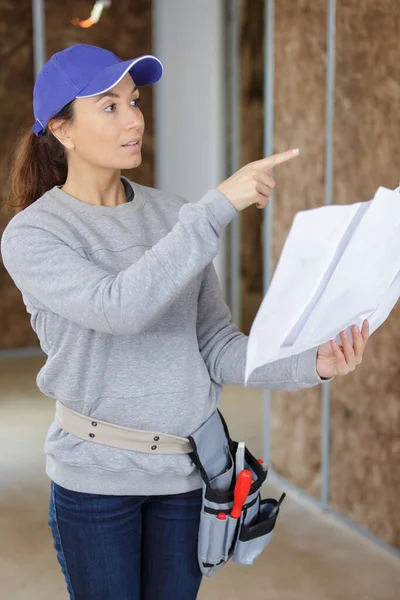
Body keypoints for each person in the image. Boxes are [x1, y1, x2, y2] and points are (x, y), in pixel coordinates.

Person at [0, 44, 370, 600]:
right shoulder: (34, 234)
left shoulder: (173, 215)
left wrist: (308, 363)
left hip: (186, 476)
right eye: (109, 106)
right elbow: (118, 307)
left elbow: (216, 344)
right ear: (63, 129)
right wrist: (215, 208)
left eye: (135, 100)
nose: (133, 118)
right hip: (96, 483)